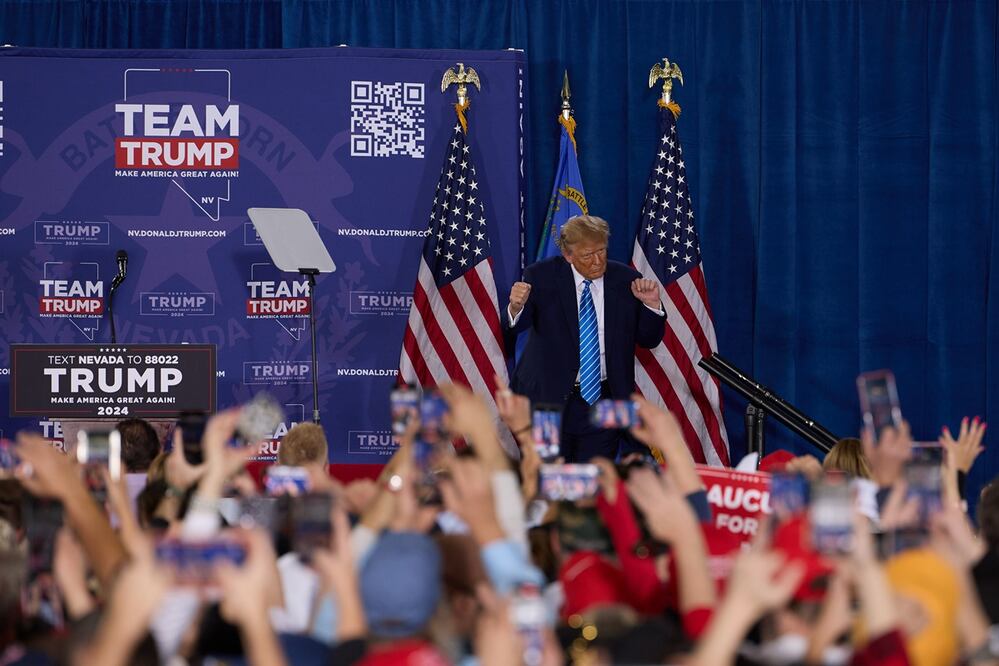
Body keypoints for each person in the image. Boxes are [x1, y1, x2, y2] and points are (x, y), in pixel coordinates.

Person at [503, 215, 666, 462]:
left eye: (602, 251)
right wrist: (516, 306)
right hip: (547, 402)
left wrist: (652, 305)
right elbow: (516, 328)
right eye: (588, 255)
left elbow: (649, 339)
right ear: (568, 255)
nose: (598, 261)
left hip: (605, 398)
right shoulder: (541, 276)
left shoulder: (625, 280)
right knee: (548, 478)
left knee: (596, 479)